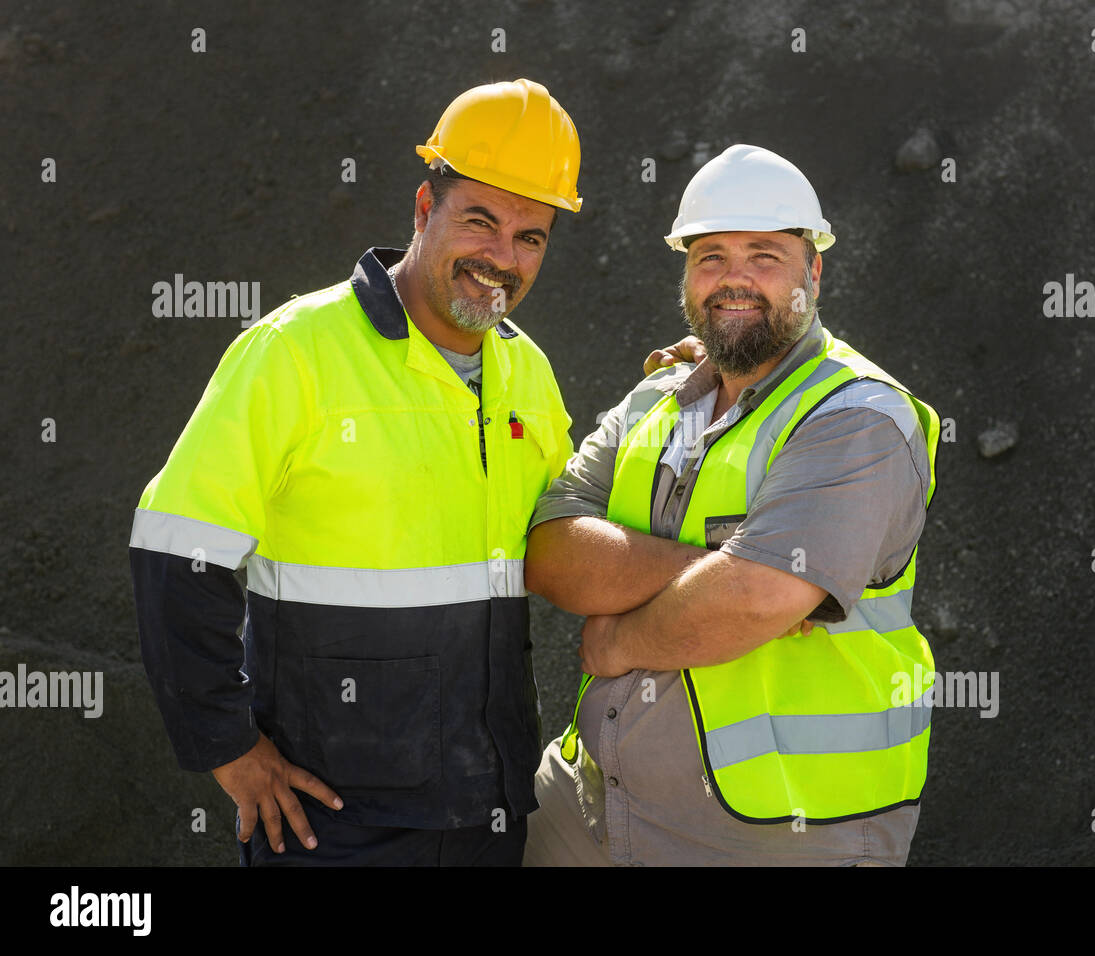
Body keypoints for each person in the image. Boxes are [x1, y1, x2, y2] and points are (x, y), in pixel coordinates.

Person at [128, 78, 697, 867]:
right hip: (332, 819)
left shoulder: (524, 371)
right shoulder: (296, 352)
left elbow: (565, 530)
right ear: (425, 210)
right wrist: (227, 747)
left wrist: (672, 400)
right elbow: (175, 550)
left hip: (487, 807)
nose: (502, 257)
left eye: (530, 237)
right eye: (481, 221)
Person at [522, 144, 942, 866]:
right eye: (710, 256)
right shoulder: (655, 400)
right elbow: (550, 550)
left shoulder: (859, 417)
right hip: (592, 801)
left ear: (813, 271)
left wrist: (618, 642)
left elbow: (753, 597)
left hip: (782, 830)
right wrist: (723, 566)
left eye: (764, 256)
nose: (734, 277)